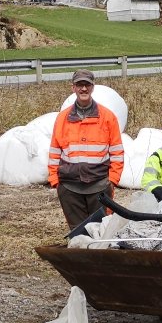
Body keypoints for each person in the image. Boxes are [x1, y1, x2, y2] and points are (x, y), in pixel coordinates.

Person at [48, 69, 124, 229]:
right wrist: (56, 182)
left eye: (87, 85)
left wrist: (112, 181)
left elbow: (117, 153)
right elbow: (54, 152)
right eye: (79, 85)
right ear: (73, 88)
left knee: (101, 231)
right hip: (69, 188)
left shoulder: (107, 117)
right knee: (78, 233)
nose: (83, 88)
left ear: (93, 87)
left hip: (100, 186)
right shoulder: (62, 118)